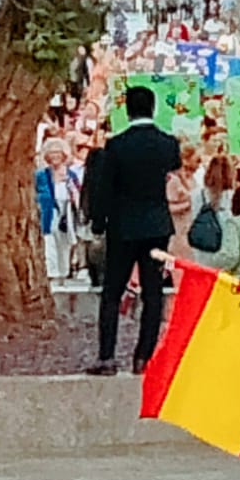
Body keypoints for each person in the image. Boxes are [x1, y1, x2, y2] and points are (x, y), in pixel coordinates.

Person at [82, 83, 181, 376]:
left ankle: (107, 356)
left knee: (112, 291)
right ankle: (143, 357)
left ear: (127, 111)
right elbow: (173, 169)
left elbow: (105, 187)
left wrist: (98, 222)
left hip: (123, 224)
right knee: (153, 293)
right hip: (157, 224)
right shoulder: (168, 143)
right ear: (153, 108)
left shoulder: (116, 145)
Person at [35, 137, 84, 281]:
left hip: (66, 211)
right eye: (52, 153)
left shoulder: (71, 174)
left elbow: (78, 192)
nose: (55, 156)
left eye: (58, 152)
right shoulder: (41, 175)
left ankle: (64, 271)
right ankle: (52, 272)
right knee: (49, 239)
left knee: (65, 241)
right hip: (48, 211)